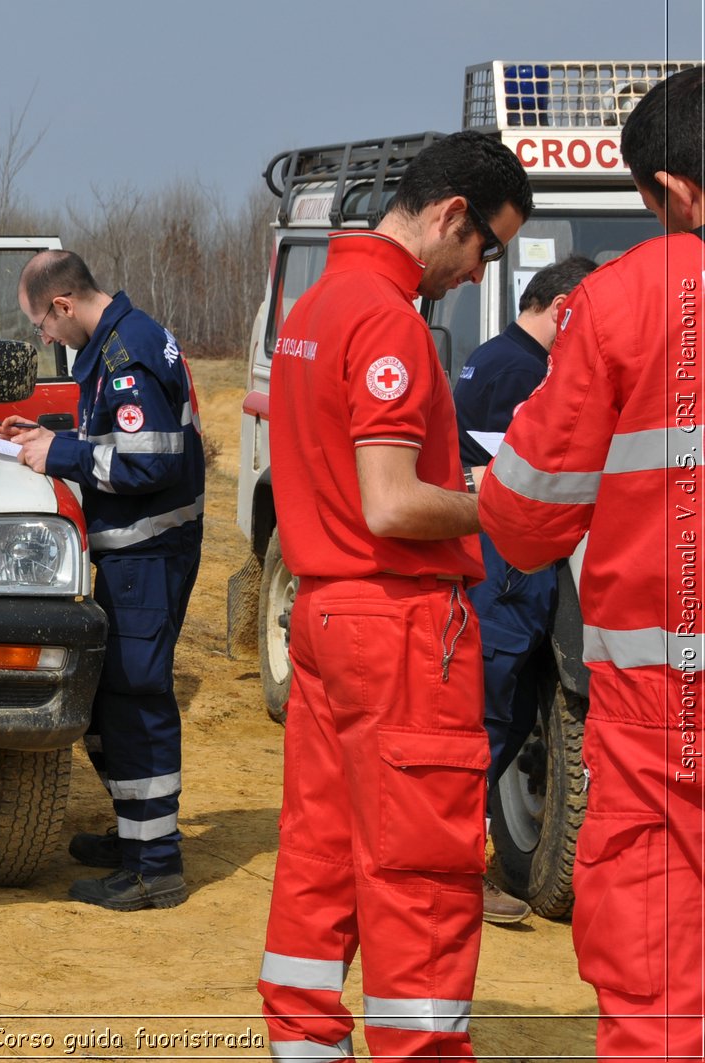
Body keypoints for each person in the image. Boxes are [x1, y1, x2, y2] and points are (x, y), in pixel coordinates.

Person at [255, 130, 532, 1059]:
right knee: (421, 872)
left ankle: (304, 1041)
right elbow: (393, 500)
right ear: (452, 216)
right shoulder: (387, 319)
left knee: (320, 854)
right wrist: (498, 504)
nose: (473, 272)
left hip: (327, 614)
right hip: (400, 626)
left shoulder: (321, 302)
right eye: (484, 248)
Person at [479, 65, 705, 1061]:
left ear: (671, 192)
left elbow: (526, 519)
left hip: (667, 697)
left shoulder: (621, 304)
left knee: (656, 943)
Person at [0, 250, 204, 911]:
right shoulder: (123, 338)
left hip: (147, 551)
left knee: (136, 702)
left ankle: (154, 865)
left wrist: (58, 454)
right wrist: (49, 432)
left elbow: (149, 462)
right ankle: (136, 837)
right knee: (113, 700)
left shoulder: (124, 354)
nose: (45, 341)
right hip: (138, 551)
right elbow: (114, 433)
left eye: (41, 327)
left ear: (61, 304)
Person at [453, 254, 595, 925]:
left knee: (491, 709)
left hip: (498, 560)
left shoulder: (494, 356)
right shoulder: (525, 371)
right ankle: (454, 868)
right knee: (491, 711)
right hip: (509, 565)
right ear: (564, 306)